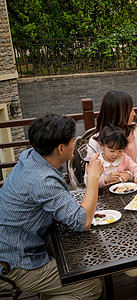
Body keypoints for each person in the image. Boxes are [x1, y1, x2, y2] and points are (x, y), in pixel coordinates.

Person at [0, 114, 104, 299]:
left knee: (72, 248)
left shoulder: (30, 156)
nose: (75, 142)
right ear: (61, 148)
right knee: (91, 284)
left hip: (19, 241)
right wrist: (94, 177)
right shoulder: (43, 180)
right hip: (15, 262)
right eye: (73, 139)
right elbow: (84, 222)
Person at [85, 90, 137, 291]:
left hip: (135, 190)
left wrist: (132, 176)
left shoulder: (136, 131)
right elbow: (90, 177)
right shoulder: (96, 141)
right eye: (130, 109)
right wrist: (106, 180)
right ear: (119, 112)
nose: (134, 112)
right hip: (106, 198)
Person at [85, 124, 137, 188]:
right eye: (112, 151)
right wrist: (105, 180)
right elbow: (89, 183)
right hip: (102, 195)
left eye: (120, 151)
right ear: (101, 145)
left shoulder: (124, 158)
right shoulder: (96, 161)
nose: (116, 155)